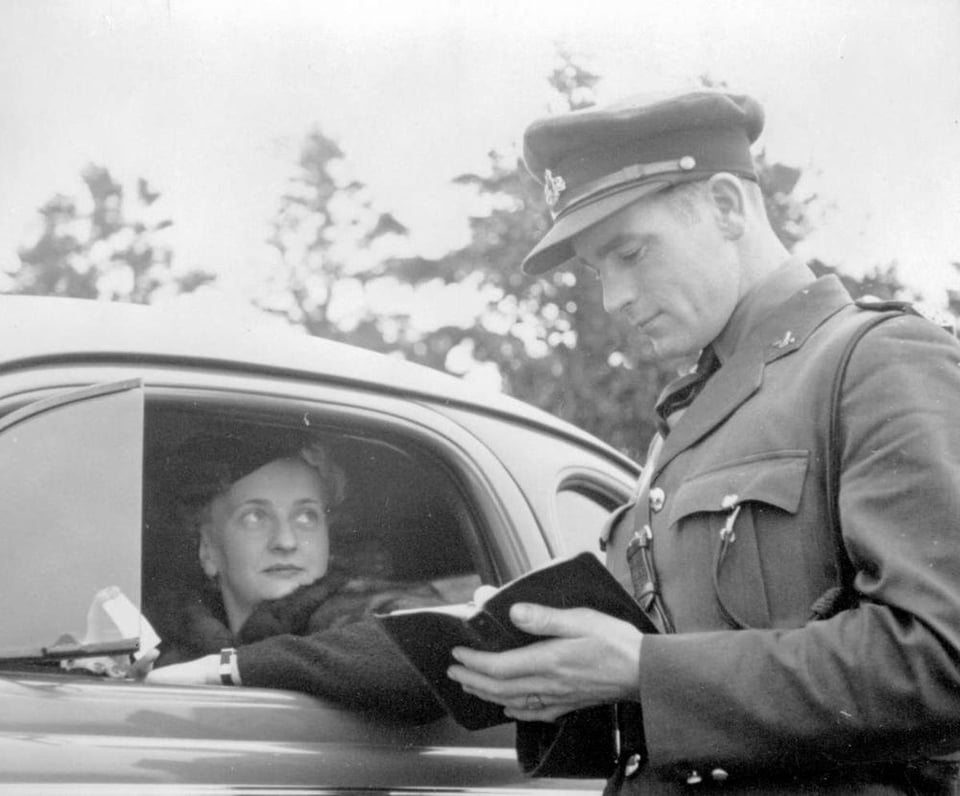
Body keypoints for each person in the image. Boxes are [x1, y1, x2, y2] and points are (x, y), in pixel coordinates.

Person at [446, 89, 960, 793]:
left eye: (631, 252)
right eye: (599, 270)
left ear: (725, 205)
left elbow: (943, 657)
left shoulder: (877, 361)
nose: (614, 298)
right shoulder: (688, 421)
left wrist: (643, 670)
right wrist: (549, 663)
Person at [143, 430, 445, 724]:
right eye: (254, 517)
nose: (285, 541)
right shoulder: (169, 646)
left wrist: (227, 669)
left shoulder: (361, 610)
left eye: (306, 516)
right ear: (208, 549)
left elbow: (434, 655)